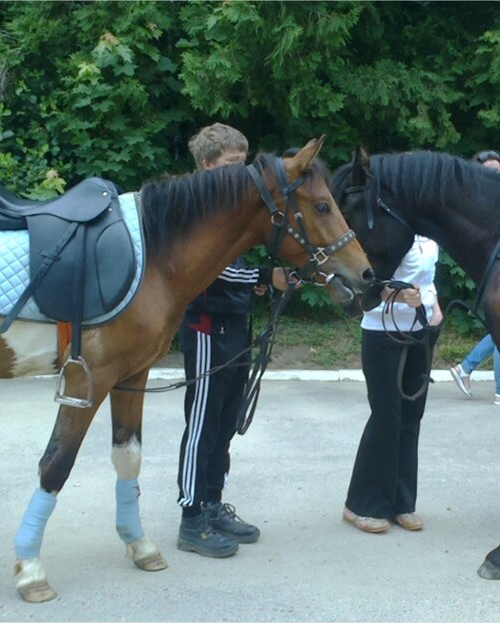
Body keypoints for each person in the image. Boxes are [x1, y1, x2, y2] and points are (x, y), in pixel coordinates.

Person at [176, 123, 295, 558]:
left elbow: (233, 275)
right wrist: (265, 277)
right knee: (203, 423)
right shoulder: (196, 209)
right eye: (231, 165)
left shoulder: (230, 210)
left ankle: (212, 501)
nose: (240, 174)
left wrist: (254, 286)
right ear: (207, 165)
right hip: (205, 328)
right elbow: (209, 273)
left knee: (225, 422)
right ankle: (191, 517)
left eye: (242, 165)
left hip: (234, 326)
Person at [344, 234, 443, 533]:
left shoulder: (429, 238)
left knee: (412, 417)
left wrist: (434, 305)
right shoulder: (388, 230)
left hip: (419, 329)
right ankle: (360, 505)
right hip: (381, 331)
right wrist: (396, 296)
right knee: (386, 417)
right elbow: (365, 283)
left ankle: (402, 503)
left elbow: (426, 279)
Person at [449, 149, 500, 405]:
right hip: (493, 271)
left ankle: (465, 368)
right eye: (489, 172)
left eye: (498, 171)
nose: (495, 176)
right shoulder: (475, 202)